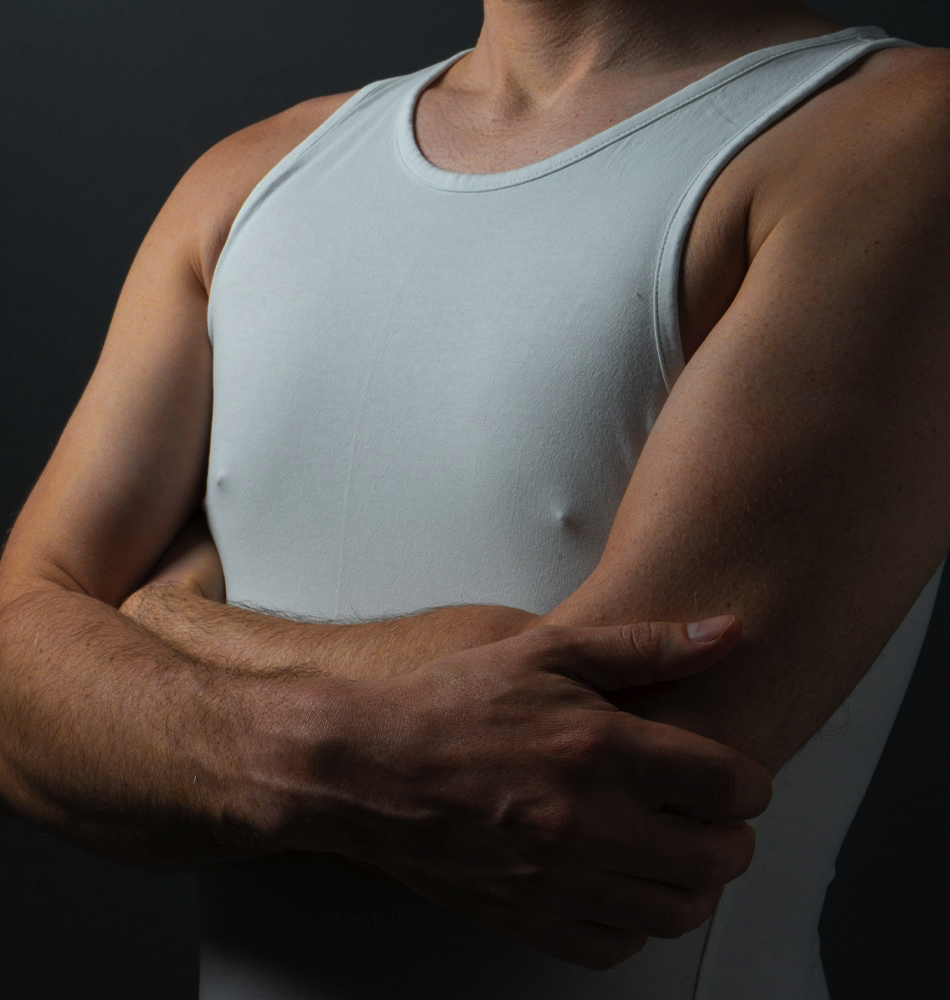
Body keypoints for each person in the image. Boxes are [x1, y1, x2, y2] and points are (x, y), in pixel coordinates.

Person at [0, 0, 947, 997]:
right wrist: (327, 750)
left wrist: (161, 626)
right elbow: (17, 682)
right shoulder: (248, 179)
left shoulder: (885, 135)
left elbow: (596, 763)